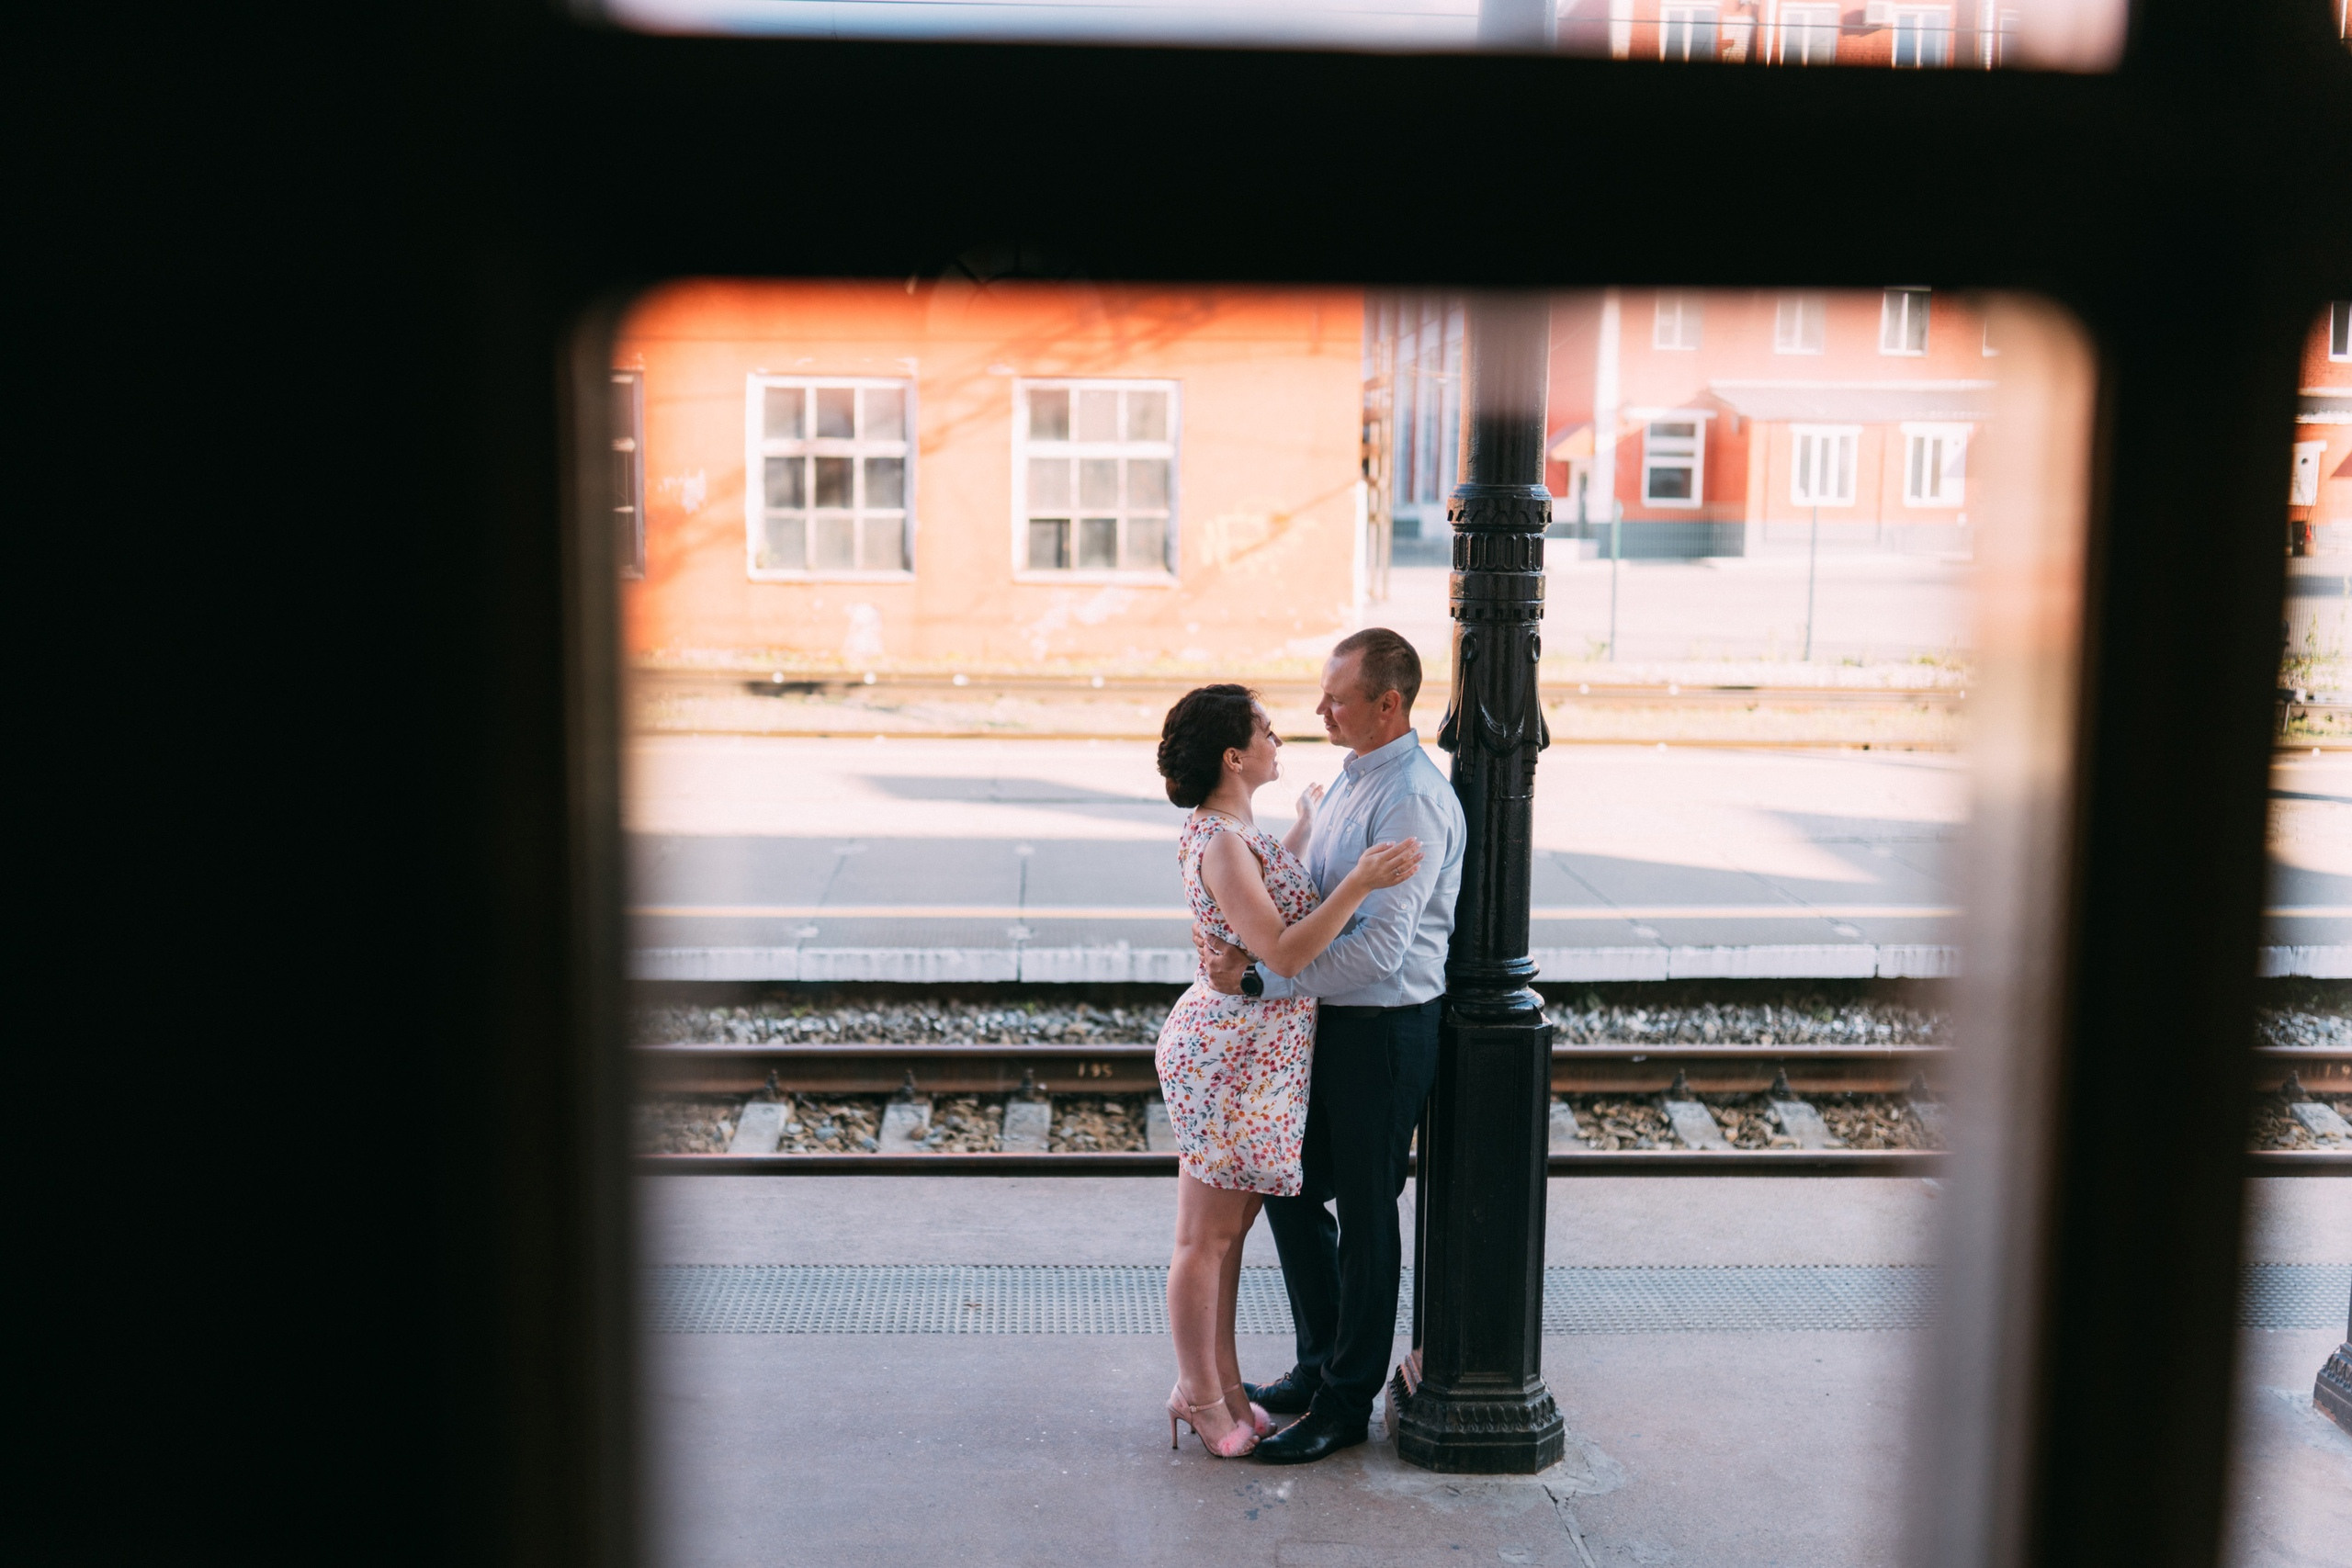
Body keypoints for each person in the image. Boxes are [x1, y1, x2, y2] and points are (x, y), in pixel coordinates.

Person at [1193, 627, 1464, 1466]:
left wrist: (1260, 980)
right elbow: (1314, 903)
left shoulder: (1411, 798)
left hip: (1385, 1030)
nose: (1319, 710)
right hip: (1333, 1024)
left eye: (1337, 697)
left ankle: (1346, 1401)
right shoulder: (1356, 779)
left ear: (1389, 704)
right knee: (1290, 1183)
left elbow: (1379, 953)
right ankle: (1319, 1367)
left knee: (1369, 1215)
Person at [1152, 683, 1422, 1460]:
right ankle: (1198, 1396)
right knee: (1203, 1240)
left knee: (1229, 1234)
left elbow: (1269, 907)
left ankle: (1225, 1387)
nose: (1281, 736)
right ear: (1234, 756)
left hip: (1253, 1060)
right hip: (1231, 1060)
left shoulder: (1236, 830)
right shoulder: (1222, 840)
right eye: (1266, 729)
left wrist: (1302, 832)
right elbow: (1286, 951)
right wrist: (1361, 881)